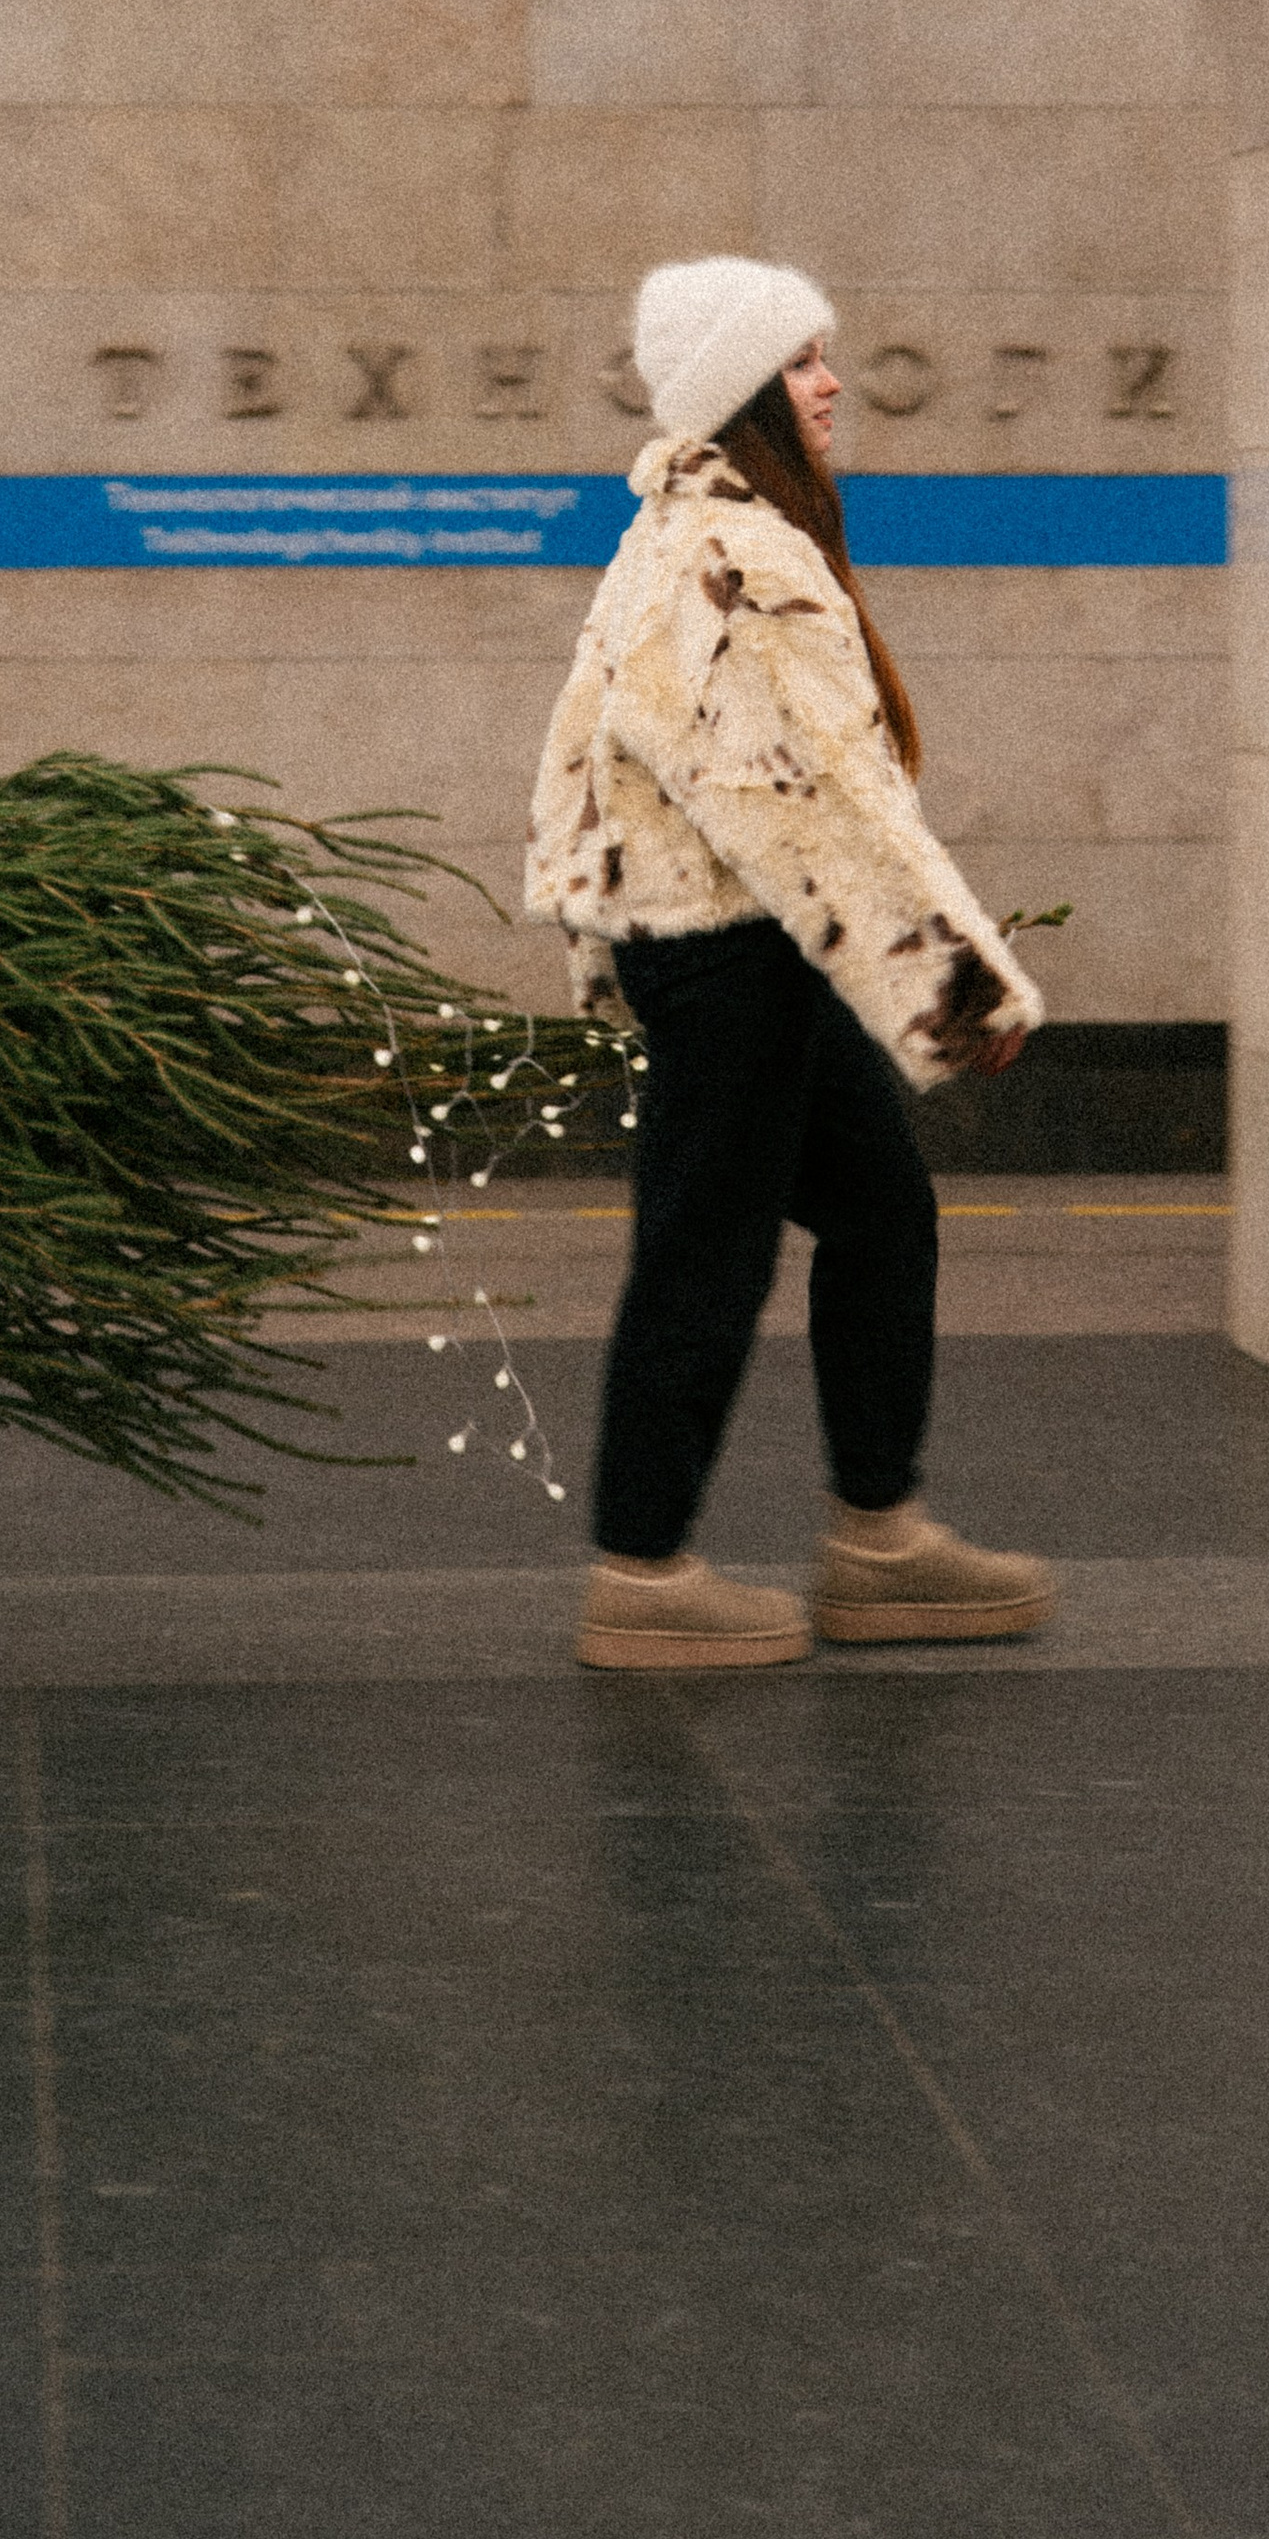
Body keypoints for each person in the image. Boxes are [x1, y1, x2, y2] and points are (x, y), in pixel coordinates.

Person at [526, 254, 1050, 1672]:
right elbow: (826, 803)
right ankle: (644, 1571)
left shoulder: (687, 532)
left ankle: (880, 1540)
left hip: (733, 944)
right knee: (707, 1250)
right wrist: (960, 985)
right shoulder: (737, 557)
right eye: (806, 362)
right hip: (731, 950)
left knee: (881, 1214)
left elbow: (582, 764)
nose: (833, 386)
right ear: (743, 390)